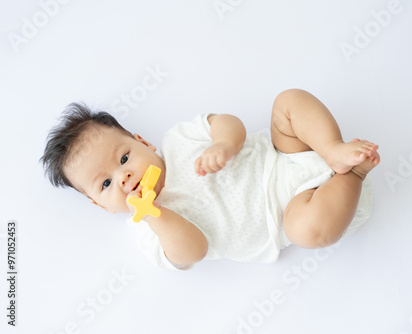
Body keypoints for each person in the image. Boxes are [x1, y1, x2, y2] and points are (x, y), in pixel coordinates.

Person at [41, 89, 380, 271]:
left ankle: (332, 148)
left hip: (285, 153)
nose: (125, 177)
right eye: (105, 185)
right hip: (289, 212)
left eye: (125, 158)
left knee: (288, 103)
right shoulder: (147, 231)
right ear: (100, 206)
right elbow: (193, 251)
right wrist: (158, 214)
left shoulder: (179, 139)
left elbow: (226, 121)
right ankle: (355, 175)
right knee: (310, 231)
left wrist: (224, 143)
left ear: (143, 142)